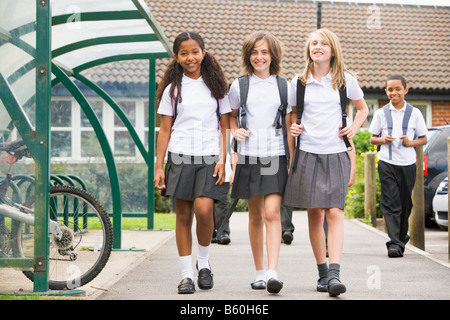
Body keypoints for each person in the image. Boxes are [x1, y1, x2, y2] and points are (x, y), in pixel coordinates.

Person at [283, 28, 368, 297]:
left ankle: (335, 273)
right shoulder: (298, 82)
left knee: (334, 212)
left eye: (323, 43)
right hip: (307, 152)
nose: (317, 47)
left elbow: (363, 108)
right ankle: (322, 273)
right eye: (313, 43)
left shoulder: (346, 80)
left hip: (337, 152)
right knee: (315, 213)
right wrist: (293, 129)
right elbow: (291, 115)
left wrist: (353, 127)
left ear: (333, 50)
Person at [154, 31, 230, 294]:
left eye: (195, 51)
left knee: (204, 209)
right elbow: (164, 130)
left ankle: (204, 262)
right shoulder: (172, 90)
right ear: (176, 57)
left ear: (203, 53)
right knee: (184, 215)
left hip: (209, 157)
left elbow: (225, 128)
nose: (190, 57)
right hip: (179, 156)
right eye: (184, 53)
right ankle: (187, 274)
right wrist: (158, 166)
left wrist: (223, 159)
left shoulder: (217, 88)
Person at [228, 31, 291, 294]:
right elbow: (230, 117)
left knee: (272, 213)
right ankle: (259, 273)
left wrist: (292, 158)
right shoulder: (239, 85)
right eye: (254, 52)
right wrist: (234, 131)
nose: (259, 57)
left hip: (275, 154)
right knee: (255, 215)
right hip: (249, 155)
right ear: (248, 55)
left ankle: (273, 271)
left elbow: (289, 122)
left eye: (264, 52)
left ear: (273, 55)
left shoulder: (285, 86)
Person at [369, 74, 427, 258]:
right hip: (386, 162)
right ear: (386, 92)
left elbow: (423, 138)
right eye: (390, 90)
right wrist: (382, 139)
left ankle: (402, 236)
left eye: (397, 89)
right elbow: (372, 138)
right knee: (390, 202)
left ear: (405, 90)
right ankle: (394, 243)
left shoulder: (415, 113)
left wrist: (411, 143)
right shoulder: (380, 113)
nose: (394, 93)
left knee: (405, 203)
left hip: (408, 164)